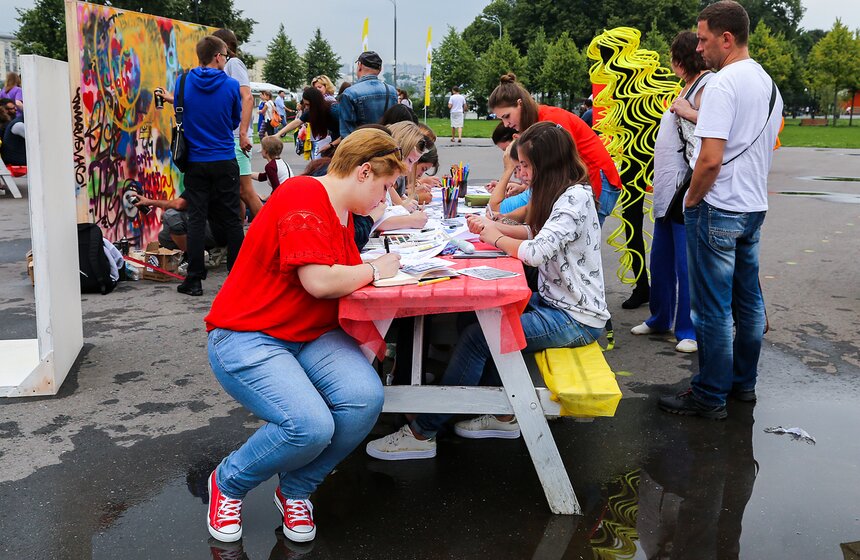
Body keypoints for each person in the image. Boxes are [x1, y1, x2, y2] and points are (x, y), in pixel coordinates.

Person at [202, 128, 405, 544]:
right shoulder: (302, 195)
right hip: (248, 334)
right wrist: (375, 270)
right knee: (308, 425)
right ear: (364, 172)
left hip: (309, 334)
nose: (385, 199)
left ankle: (296, 489)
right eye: (385, 188)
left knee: (364, 399)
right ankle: (229, 481)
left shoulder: (343, 209)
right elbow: (318, 281)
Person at [366, 122, 609, 460]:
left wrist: (493, 237)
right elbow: (538, 232)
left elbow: (537, 251)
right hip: (558, 304)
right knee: (476, 320)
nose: (521, 172)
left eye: (524, 165)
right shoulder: (566, 192)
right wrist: (496, 227)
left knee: (479, 336)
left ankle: (423, 432)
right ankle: (502, 412)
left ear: (547, 163)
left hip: (575, 318)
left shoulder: (575, 197)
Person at [658, 0, 783, 419]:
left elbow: (709, 158)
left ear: (727, 39)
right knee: (748, 305)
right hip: (753, 206)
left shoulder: (724, 84)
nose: (700, 48)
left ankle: (710, 394)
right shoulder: (768, 83)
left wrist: (692, 198)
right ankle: (742, 385)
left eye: (705, 38)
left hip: (718, 206)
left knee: (710, 308)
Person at [631, 31, 712, 354]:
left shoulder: (707, 86)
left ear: (679, 61)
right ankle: (661, 317)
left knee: (685, 263)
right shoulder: (688, 87)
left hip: (687, 188)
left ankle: (689, 328)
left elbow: (716, 126)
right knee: (661, 259)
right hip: (669, 191)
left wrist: (687, 111)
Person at [155, 35, 244, 297]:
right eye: (225, 55)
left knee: (195, 219)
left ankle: (193, 279)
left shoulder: (182, 83)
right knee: (232, 220)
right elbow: (234, 120)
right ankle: (238, 281)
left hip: (195, 161)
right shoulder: (230, 85)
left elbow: (182, 112)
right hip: (224, 159)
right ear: (217, 56)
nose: (226, 59)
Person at [488, 73, 622, 227]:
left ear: (520, 104)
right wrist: (525, 188)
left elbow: (557, 173)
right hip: (586, 181)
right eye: (501, 119)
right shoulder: (538, 120)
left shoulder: (550, 121)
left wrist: (508, 219)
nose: (506, 124)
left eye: (507, 116)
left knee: (580, 242)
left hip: (597, 181)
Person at [212, 29, 260, 220]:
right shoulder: (225, 66)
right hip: (231, 137)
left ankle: (275, 237)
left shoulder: (233, 63)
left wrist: (242, 133)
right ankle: (238, 241)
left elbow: (247, 97)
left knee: (244, 190)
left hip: (235, 137)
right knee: (235, 192)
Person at [339, 51, 397, 138]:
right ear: (380, 69)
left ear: (360, 65)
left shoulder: (350, 93)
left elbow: (346, 133)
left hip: (361, 146)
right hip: (386, 144)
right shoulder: (391, 91)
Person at [275, 87, 341, 160]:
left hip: (346, 143)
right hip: (335, 142)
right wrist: (278, 134)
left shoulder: (334, 111)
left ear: (316, 103)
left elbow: (349, 132)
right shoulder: (312, 111)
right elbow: (297, 122)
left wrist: (330, 145)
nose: (306, 108)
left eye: (308, 104)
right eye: (305, 104)